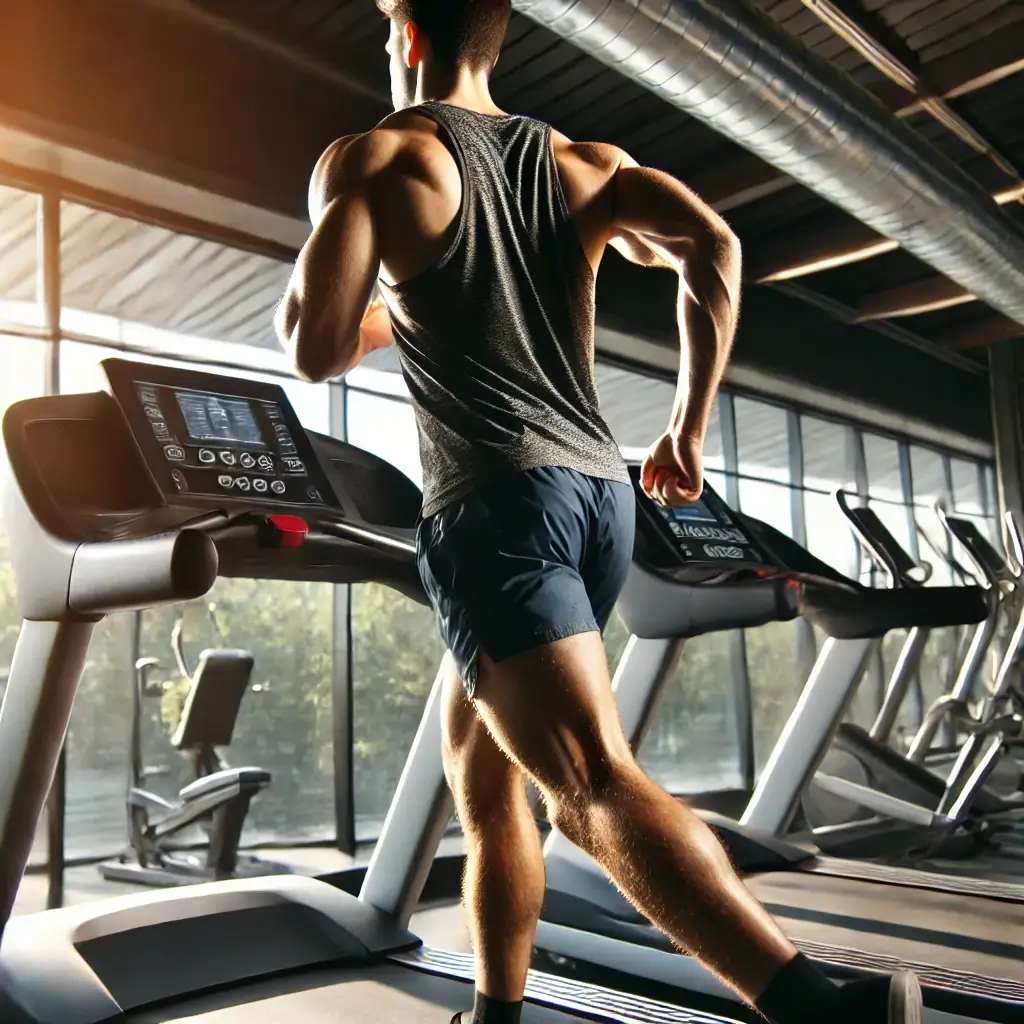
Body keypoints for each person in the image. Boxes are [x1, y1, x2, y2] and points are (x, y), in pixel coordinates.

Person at [274, 3, 922, 1023]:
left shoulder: (379, 158)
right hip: (598, 500)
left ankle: (817, 1011)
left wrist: (345, 257)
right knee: (485, 779)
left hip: (495, 507)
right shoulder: (584, 164)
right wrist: (687, 428)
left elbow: (312, 347)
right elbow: (712, 246)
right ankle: (496, 1012)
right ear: (491, 41)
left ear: (407, 38)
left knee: (587, 786)